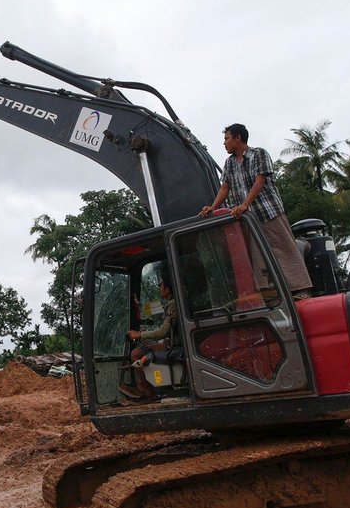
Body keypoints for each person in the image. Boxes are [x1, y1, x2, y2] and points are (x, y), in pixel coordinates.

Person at [200, 123, 312, 300]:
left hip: (268, 210)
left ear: (238, 138)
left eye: (227, 138)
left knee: (284, 248)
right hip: (248, 218)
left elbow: (260, 181)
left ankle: (300, 289)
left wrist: (245, 204)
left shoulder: (259, 154)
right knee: (258, 255)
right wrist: (212, 207)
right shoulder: (229, 163)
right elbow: (225, 187)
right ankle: (270, 294)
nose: (224, 143)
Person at [120, 269, 177, 402]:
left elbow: (164, 331)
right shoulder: (170, 303)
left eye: (161, 284)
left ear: (168, 289)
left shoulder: (173, 304)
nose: (159, 287)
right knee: (145, 347)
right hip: (171, 341)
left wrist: (140, 335)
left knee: (136, 354)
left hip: (173, 344)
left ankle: (145, 389)